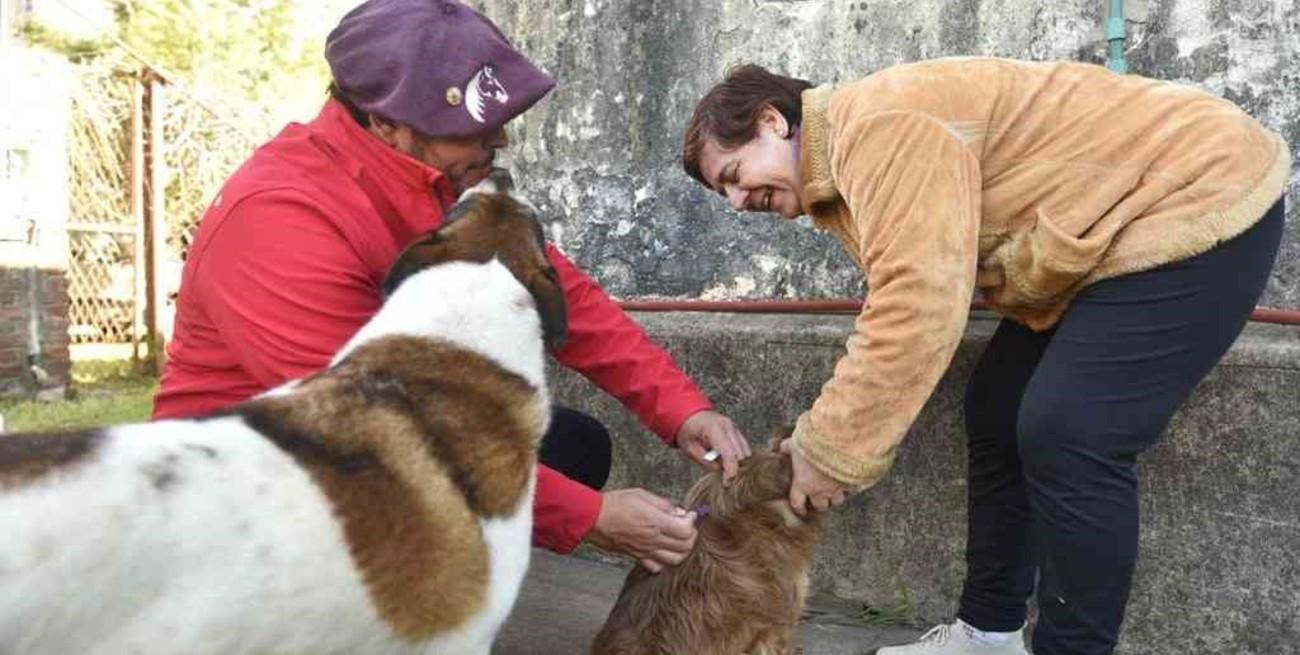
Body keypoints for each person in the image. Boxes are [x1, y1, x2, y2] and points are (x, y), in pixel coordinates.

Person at [680, 58, 1288, 655]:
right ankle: (988, 634)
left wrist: (827, 448)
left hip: (1198, 193)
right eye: (723, 193)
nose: (735, 203)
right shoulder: (840, 161)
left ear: (772, 122)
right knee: (999, 407)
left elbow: (918, 301)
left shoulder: (880, 128)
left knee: (1069, 429)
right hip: (1105, 233)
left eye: (733, 175)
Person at [153, 0, 754, 575]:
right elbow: (368, 429)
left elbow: (561, 294)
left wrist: (683, 410)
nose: (501, 143)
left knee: (571, 444)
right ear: (386, 121)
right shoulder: (281, 218)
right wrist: (590, 517)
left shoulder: (433, 182)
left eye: (499, 123)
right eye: (475, 129)